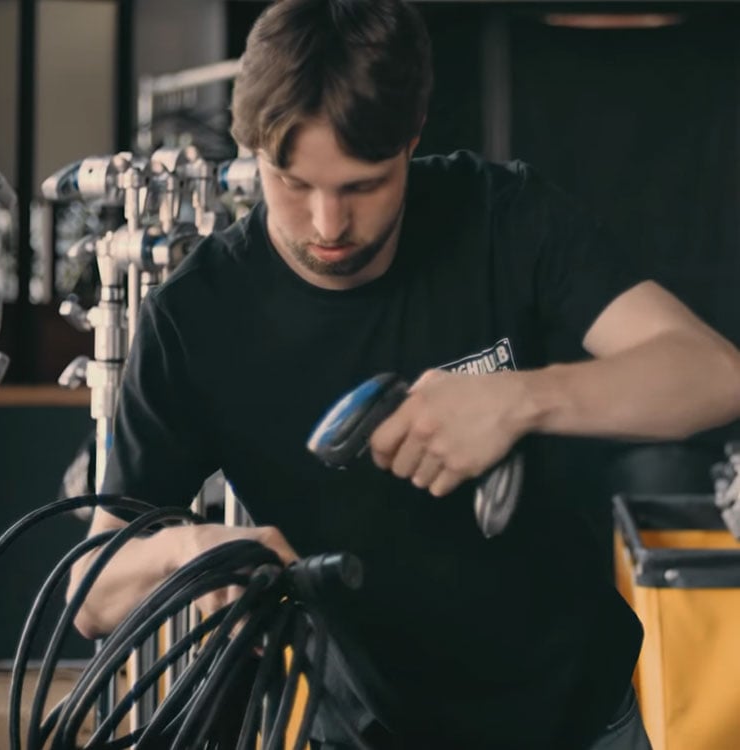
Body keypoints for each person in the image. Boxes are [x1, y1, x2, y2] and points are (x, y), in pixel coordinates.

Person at [67, 0, 740, 748]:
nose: (327, 225)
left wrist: (521, 399)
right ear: (251, 148)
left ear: (411, 140)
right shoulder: (193, 318)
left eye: (362, 186)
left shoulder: (501, 218)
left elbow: (713, 373)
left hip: (579, 722)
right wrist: (189, 552)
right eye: (292, 184)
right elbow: (90, 596)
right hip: (367, 733)